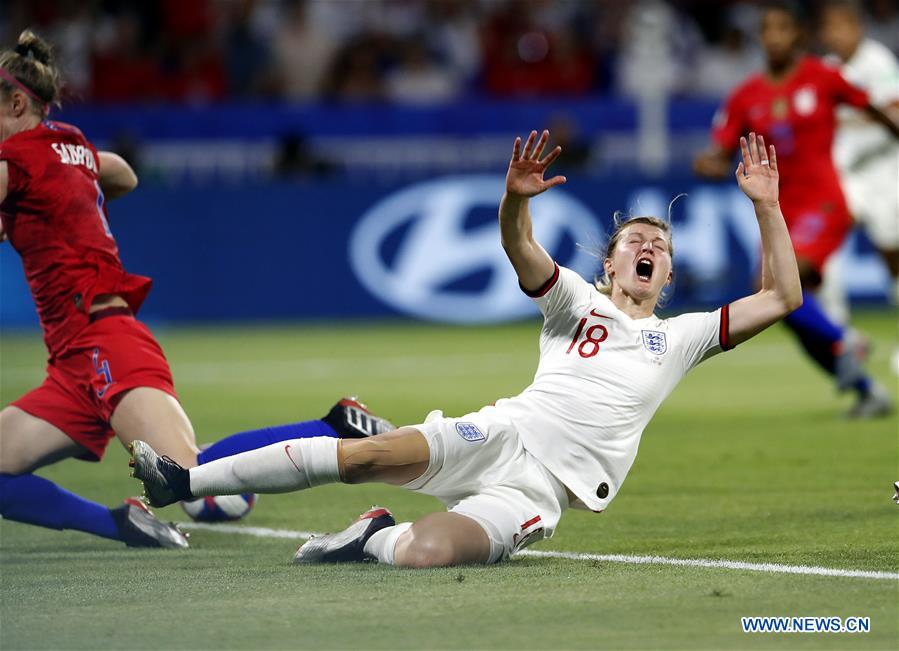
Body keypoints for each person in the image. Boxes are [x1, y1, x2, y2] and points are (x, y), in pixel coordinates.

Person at [130, 129, 801, 568]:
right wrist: (514, 203)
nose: (648, 246)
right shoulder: (577, 301)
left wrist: (766, 206)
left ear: (671, 273)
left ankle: (372, 535)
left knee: (423, 553)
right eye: (635, 240)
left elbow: (781, 298)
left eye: (660, 244)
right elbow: (521, 248)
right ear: (610, 263)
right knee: (365, 455)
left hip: (541, 490)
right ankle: (184, 480)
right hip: (500, 431)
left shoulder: (679, 337)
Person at [0, 31, 392, 549]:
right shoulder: (72, 146)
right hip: (72, 363)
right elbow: (122, 174)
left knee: (191, 482)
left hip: (106, 343)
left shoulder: (14, 160)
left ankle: (334, 426)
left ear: (17, 101)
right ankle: (122, 523)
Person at [693, 1, 898, 418]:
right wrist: (709, 164)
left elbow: (872, 107)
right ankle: (866, 389)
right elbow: (718, 152)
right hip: (778, 213)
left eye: (782, 28)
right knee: (781, 306)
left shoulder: (822, 77)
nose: (774, 37)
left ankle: (845, 340)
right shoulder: (746, 96)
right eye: (767, 30)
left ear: (798, 36)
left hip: (824, 202)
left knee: (771, 287)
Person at [817, 0, 899, 371]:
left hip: (884, 171)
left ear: (856, 28)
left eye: (840, 27)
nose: (834, 36)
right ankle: (842, 335)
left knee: (893, 256)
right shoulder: (828, 70)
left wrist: (849, 134)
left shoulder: (878, 62)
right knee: (825, 249)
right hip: (846, 177)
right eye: (829, 29)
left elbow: (893, 116)